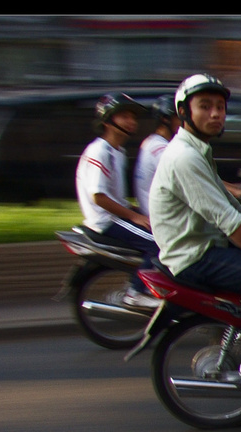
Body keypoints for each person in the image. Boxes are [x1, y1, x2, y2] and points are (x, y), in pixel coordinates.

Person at [149, 73, 241, 388]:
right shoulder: (184, 157)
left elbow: (228, 199)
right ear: (184, 112)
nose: (216, 114)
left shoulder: (196, 149)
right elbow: (225, 217)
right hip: (195, 256)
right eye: (205, 107)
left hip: (202, 246)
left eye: (220, 107)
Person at [75, 92, 161, 308]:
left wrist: (136, 212)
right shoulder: (100, 151)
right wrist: (133, 216)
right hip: (106, 222)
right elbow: (99, 196)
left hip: (116, 217)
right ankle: (136, 292)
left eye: (133, 117)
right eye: (124, 116)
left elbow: (114, 197)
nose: (131, 122)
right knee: (159, 242)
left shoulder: (117, 151)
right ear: (108, 120)